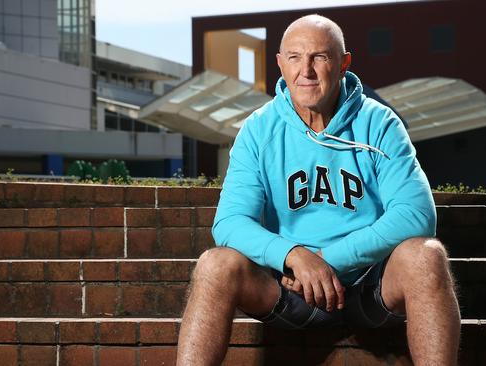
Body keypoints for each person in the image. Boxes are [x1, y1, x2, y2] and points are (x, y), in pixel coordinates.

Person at [176, 14, 460, 366]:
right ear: (280, 64)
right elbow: (230, 223)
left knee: (427, 255)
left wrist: (328, 261)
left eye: (320, 57)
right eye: (294, 57)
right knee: (214, 265)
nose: (305, 71)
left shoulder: (379, 123)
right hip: (291, 290)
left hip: (370, 287)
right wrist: (295, 256)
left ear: (344, 64)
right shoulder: (259, 130)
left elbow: (416, 215)